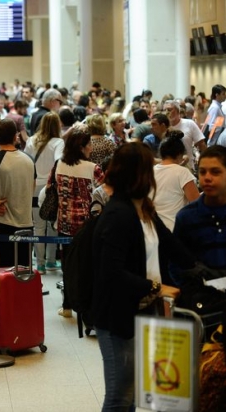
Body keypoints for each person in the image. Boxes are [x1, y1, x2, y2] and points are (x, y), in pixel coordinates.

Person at [92, 143, 195, 411]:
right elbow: (111, 272)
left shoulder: (144, 208)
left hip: (142, 308)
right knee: (120, 396)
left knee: (134, 393)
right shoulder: (118, 214)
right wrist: (156, 287)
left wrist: (203, 271)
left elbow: (171, 246)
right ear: (139, 174)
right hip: (118, 315)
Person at [49, 124, 104, 317]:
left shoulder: (59, 164)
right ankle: (86, 307)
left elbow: (50, 188)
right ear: (82, 147)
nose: (91, 147)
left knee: (67, 265)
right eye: (89, 144)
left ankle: (67, 306)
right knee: (87, 266)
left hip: (64, 222)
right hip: (87, 226)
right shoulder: (93, 168)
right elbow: (105, 191)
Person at [0, 118, 35, 268]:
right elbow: (32, 187)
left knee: (3, 274)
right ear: (15, 136)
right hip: (26, 224)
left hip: (3, 224)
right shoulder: (29, 160)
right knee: (23, 274)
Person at [173, 145, 226, 285]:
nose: (207, 178)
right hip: (204, 300)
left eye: (215, 172)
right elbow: (176, 263)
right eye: (202, 172)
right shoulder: (186, 217)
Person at [24, 112, 65, 273]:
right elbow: (58, 160)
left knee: (38, 226)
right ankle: (50, 261)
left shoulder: (31, 140)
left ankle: (39, 263)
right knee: (52, 224)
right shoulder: (58, 142)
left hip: (33, 186)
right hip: (50, 188)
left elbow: (26, 160)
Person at [152, 131, 199, 231]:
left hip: (153, 229)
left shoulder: (150, 172)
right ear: (179, 154)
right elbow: (196, 204)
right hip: (175, 228)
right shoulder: (182, 173)